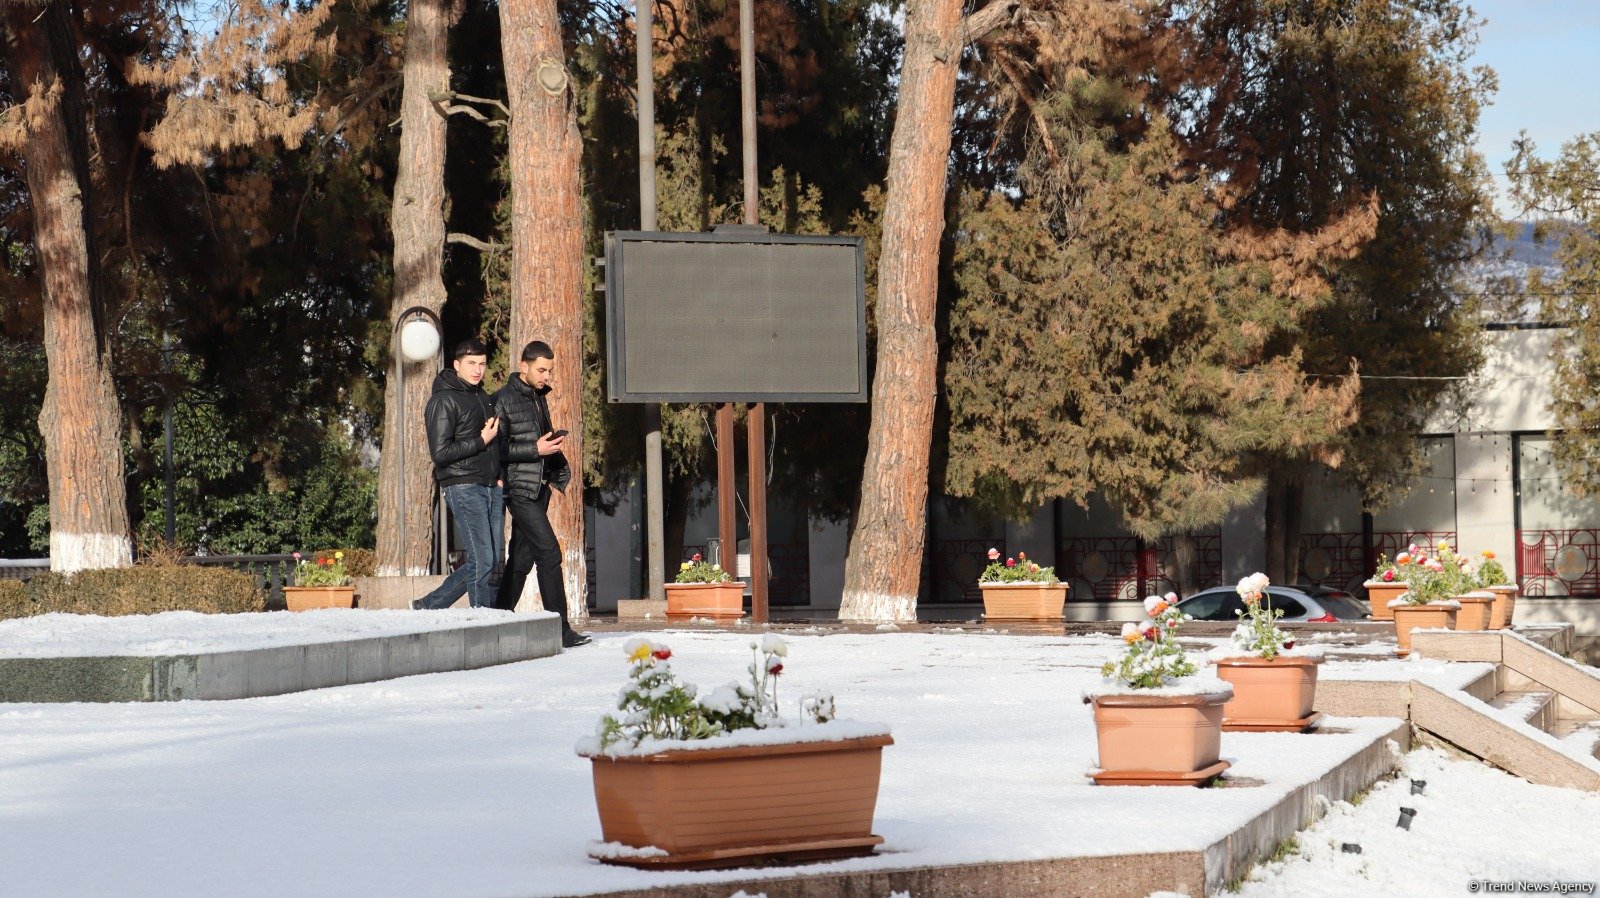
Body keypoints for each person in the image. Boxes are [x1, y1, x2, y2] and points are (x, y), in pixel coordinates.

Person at [493, 339, 590, 647]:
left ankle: (495, 620)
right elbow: (496, 449)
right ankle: (559, 630)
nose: (548, 376)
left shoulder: (538, 398)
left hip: (538, 489)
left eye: (550, 370)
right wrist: (534, 449)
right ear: (524, 366)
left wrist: (556, 470)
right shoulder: (502, 400)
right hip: (519, 491)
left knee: (521, 560)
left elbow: (543, 440)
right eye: (542, 370)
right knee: (549, 553)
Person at [412, 339, 503, 610]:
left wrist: (498, 477)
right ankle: (482, 619)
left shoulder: (483, 398)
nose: (477, 370)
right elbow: (440, 453)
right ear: (456, 365)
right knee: (483, 560)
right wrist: (481, 440)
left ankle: (427, 606)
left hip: (490, 486)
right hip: (463, 486)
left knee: (487, 561)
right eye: (471, 363)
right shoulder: (443, 400)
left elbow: (494, 442)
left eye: (482, 364)